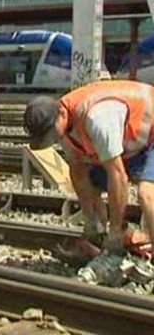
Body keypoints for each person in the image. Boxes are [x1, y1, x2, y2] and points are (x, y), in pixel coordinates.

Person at [24, 80, 154, 255]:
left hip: (150, 135)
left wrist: (114, 231)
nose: (53, 138)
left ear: (62, 114)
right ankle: (104, 237)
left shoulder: (97, 118)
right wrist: (90, 220)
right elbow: (77, 168)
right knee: (91, 185)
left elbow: (118, 177)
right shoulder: (61, 123)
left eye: (51, 133)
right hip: (133, 144)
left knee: (146, 194)